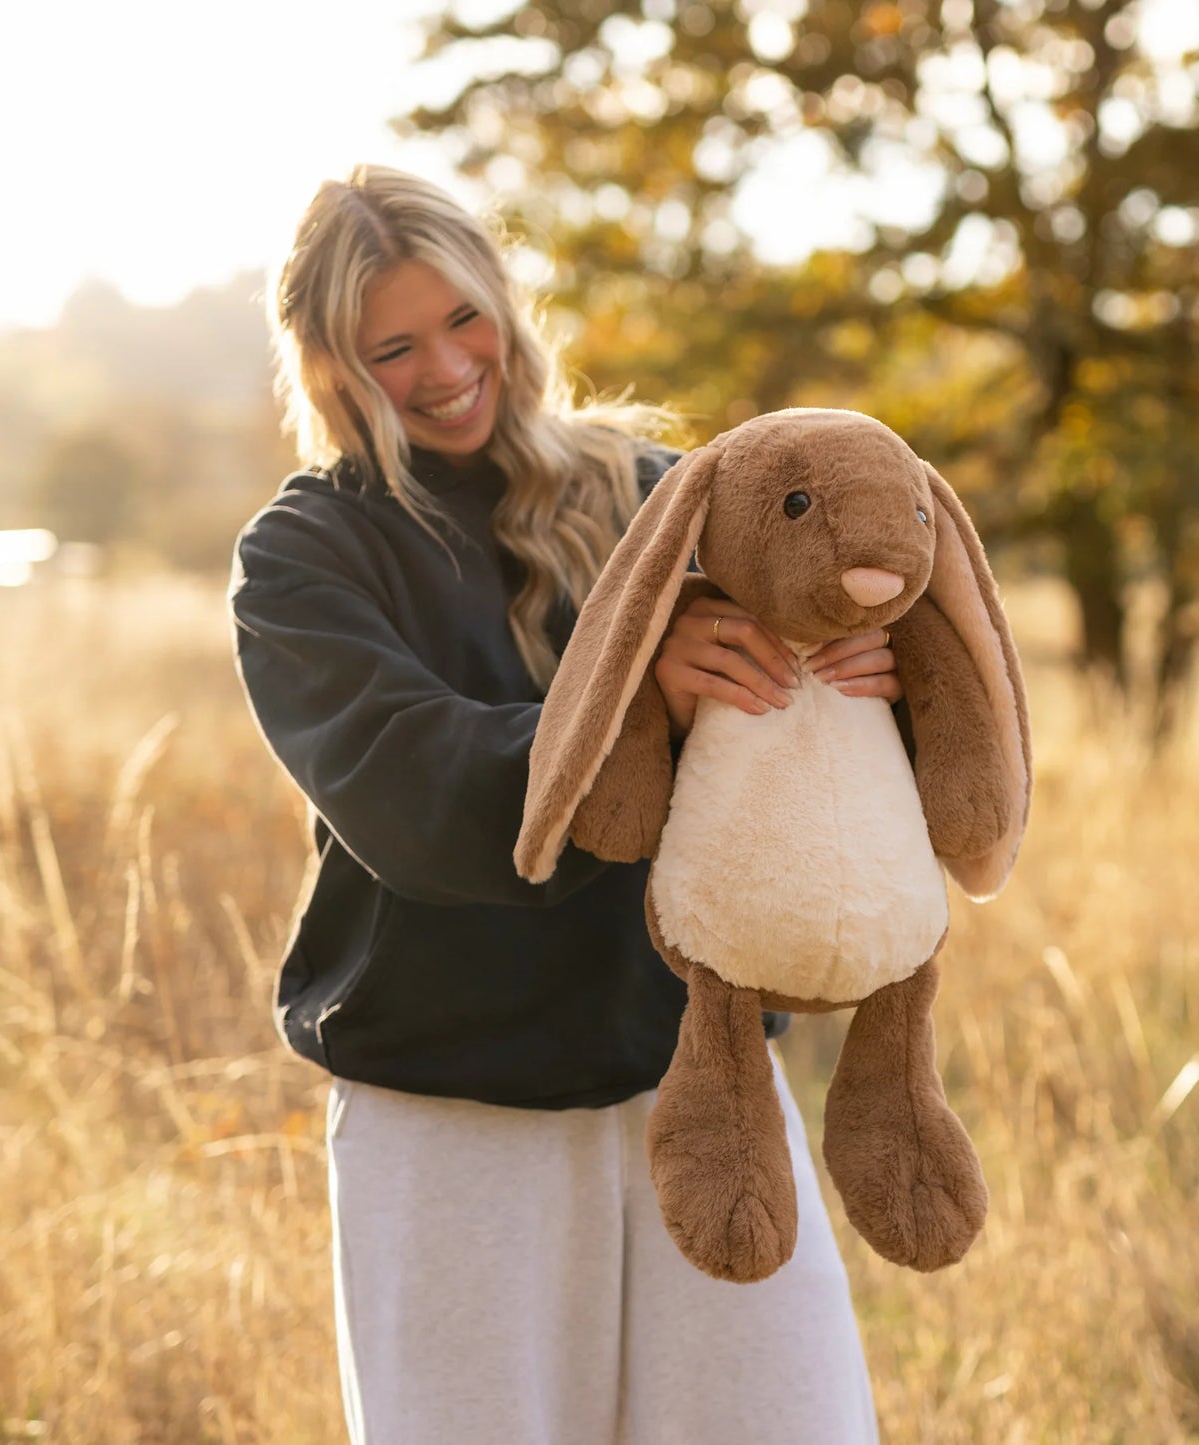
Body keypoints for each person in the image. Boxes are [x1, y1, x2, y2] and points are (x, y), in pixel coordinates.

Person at [229, 163, 901, 1445]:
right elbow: (412, 790)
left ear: (508, 304)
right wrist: (644, 704)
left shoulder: (662, 495)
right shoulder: (305, 555)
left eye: (463, 319)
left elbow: (813, 746)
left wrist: (874, 685)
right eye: (392, 346)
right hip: (452, 1119)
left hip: (696, 1087)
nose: (441, 368)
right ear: (324, 365)